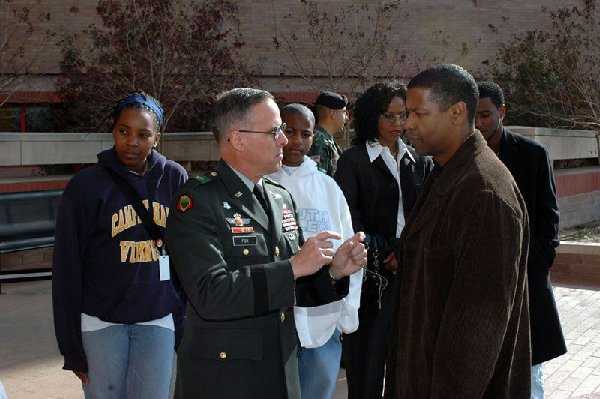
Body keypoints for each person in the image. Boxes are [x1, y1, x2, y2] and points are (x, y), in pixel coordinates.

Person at [165, 88, 367, 399]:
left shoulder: (279, 197)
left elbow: (294, 286)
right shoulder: (197, 202)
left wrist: (333, 273)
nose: (285, 140)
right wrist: (292, 267)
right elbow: (210, 293)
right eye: (275, 131)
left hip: (281, 370)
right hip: (226, 378)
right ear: (237, 139)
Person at [385, 64, 531, 398]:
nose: (407, 124)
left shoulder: (484, 193)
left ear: (456, 112)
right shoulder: (447, 172)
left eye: (419, 114)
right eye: (407, 114)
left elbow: (475, 335)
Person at [52, 91, 187, 399]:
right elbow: (67, 269)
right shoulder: (86, 186)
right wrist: (71, 347)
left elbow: (184, 258)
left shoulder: (174, 179)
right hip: (101, 321)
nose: (132, 142)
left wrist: (183, 320)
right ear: (113, 130)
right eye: (123, 131)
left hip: (158, 317)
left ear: (157, 137)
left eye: (143, 134)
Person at [334, 82, 433, 399]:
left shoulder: (418, 160)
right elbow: (350, 222)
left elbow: (428, 218)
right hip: (370, 280)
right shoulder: (352, 161)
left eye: (402, 115)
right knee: (367, 368)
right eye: (388, 116)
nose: (398, 124)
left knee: (408, 365)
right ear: (370, 118)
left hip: (413, 273)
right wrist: (386, 254)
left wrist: (407, 254)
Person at [476, 80, 566, 398]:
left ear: (502, 112)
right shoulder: (458, 158)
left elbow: (548, 221)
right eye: (473, 116)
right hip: (479, 289)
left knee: (528, 373)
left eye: (486, 115)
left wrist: (531, 270)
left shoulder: (532, 155)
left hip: (524, 283)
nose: (479, 123)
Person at [268, 103, 363, 399]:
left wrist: (349, 314)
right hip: (276, 321)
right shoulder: (263, 183)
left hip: (325, 318)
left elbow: (351, 250)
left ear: (313, 137)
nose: (296, 140)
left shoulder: (328, 187)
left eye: (305, 133)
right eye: (288, 130)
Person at [308, 90, 348, 176]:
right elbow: (318, 181)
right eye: (344, 112)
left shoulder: (326, 140)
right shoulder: (319, 142)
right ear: (332, 113)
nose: (347, 118)